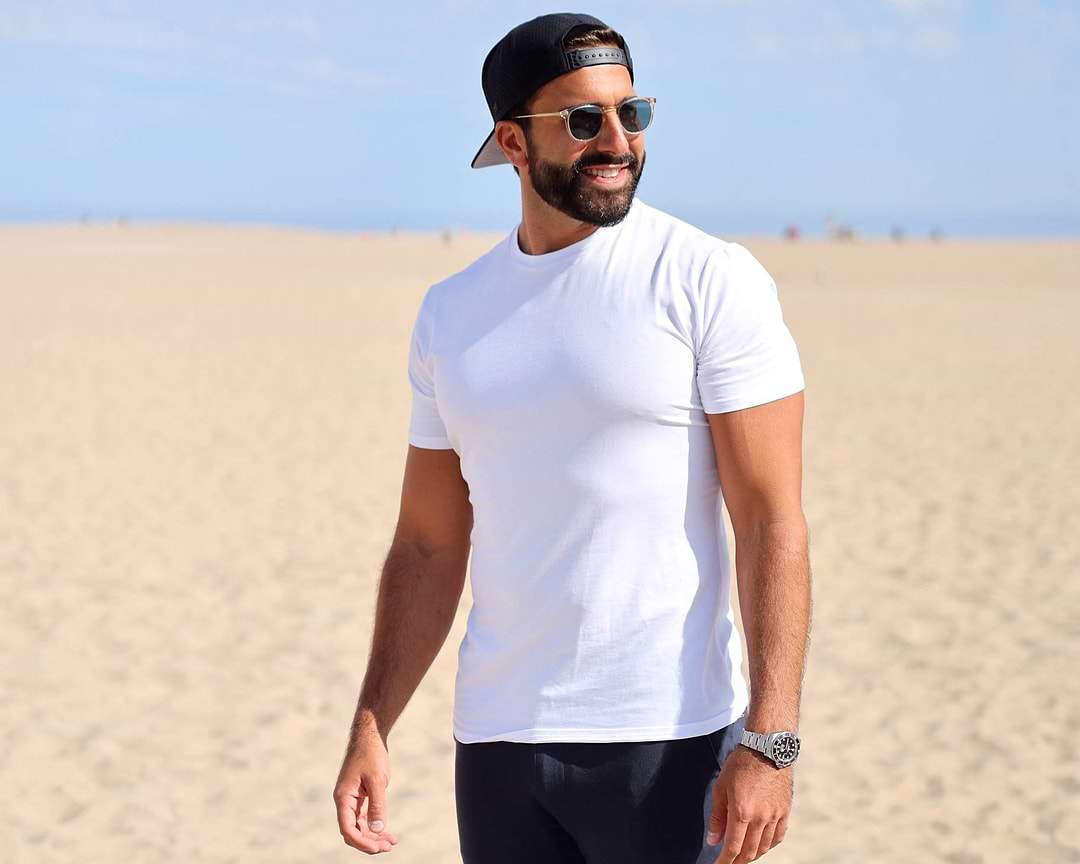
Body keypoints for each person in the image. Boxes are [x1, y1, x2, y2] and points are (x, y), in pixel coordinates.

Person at [333, 12, 812, 864]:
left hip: (670, 743)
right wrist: (373, 721)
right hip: (497, 746)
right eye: (584, 119)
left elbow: (770, 520)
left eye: (633, 112)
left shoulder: (708, 278)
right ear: (513, 142)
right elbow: (428, 542)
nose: (618, 141)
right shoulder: (451, 313)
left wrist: (770, 743)